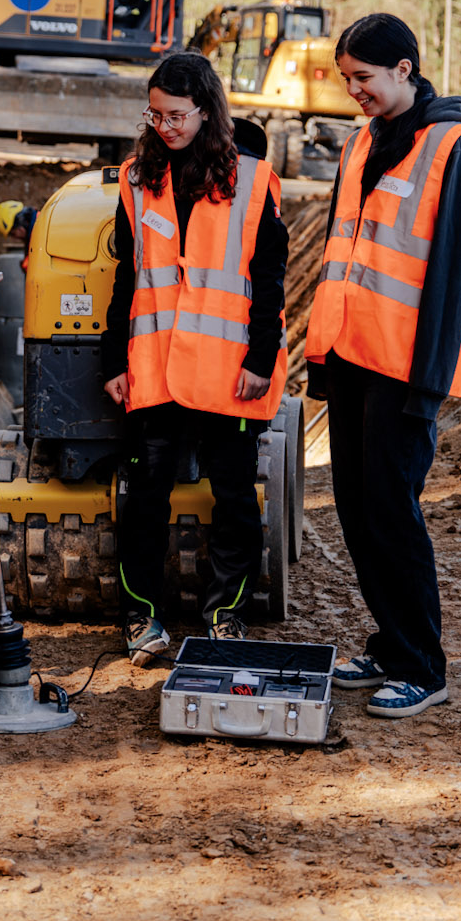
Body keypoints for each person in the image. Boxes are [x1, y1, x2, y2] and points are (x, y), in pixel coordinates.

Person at [305, 13, 461, 720]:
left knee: (393, 512)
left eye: (363, 78)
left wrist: (427, 386)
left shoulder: (456, 151)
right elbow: (344, 257)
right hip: (354, 359)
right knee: (358, 510)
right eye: (347, 78)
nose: (353, 91)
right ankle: (390, 644)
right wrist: (322, 362)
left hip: (404, 369)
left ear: (404, 70)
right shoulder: (362, 144)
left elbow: (452, 278)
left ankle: (422, 664)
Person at [101, 52, 288, 664]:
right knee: (143, 499)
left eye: (176, 115)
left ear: (206, 111)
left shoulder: (254, 181)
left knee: (233, 498)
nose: (165, 127)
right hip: (153, 371)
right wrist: (113, 363)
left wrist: (261, 358)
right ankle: (142, 618)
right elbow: (127, 279)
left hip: (228, 372)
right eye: (154, 115)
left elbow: (269, 279)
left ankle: (224, 614)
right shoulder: (136, 179)